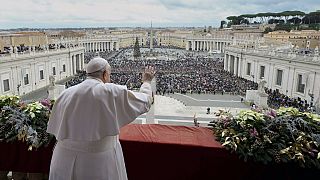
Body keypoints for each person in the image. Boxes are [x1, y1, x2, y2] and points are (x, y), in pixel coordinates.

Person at [47, 57, 155, 180]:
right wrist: (146, 82)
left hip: (62, 160)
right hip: (97, 163)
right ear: (104, 74)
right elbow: (145, 101)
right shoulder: (110, 91)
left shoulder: (65, 94)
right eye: (109, 74)